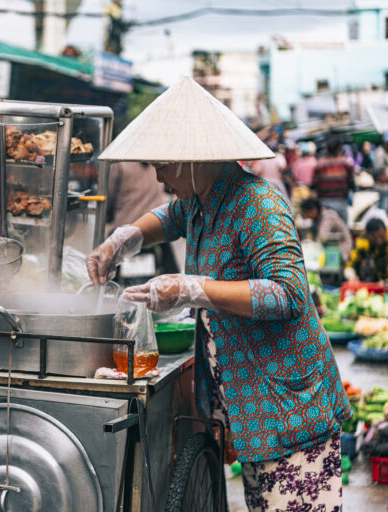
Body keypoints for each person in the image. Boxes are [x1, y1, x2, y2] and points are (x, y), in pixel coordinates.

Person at [87, 76, 351, 512]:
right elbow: (166, 216)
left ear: (195, 159)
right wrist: (123, 239)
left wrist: (195, 289)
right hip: (252, 408)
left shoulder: (258, 205)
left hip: (289, 408)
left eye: (164, 166)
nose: (159, 176)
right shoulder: (201, 199)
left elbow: (287, 294)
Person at [312, 135, 355, 224]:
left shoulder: (319, 164)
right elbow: (351, 183)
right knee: (343, 231)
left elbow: (314, 185)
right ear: (340, 148)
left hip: (325, 204)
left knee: (325, 232)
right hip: (341, 202)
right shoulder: (346, 163)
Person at [300, 197, 352, 263]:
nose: (306, 215)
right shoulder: (316, 218)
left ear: (314, 209)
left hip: (341, 249)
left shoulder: (328, 216)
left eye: (306, 212)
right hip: (331, 248)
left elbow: (322, 237)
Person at [344, 218, 388, 283]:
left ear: (385, 231)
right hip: (369, 281)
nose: (379, 241)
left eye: (381, 236)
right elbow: (349, 266)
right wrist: (351, 276)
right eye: (374, 238)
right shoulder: (362, 243)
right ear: (368, 235)